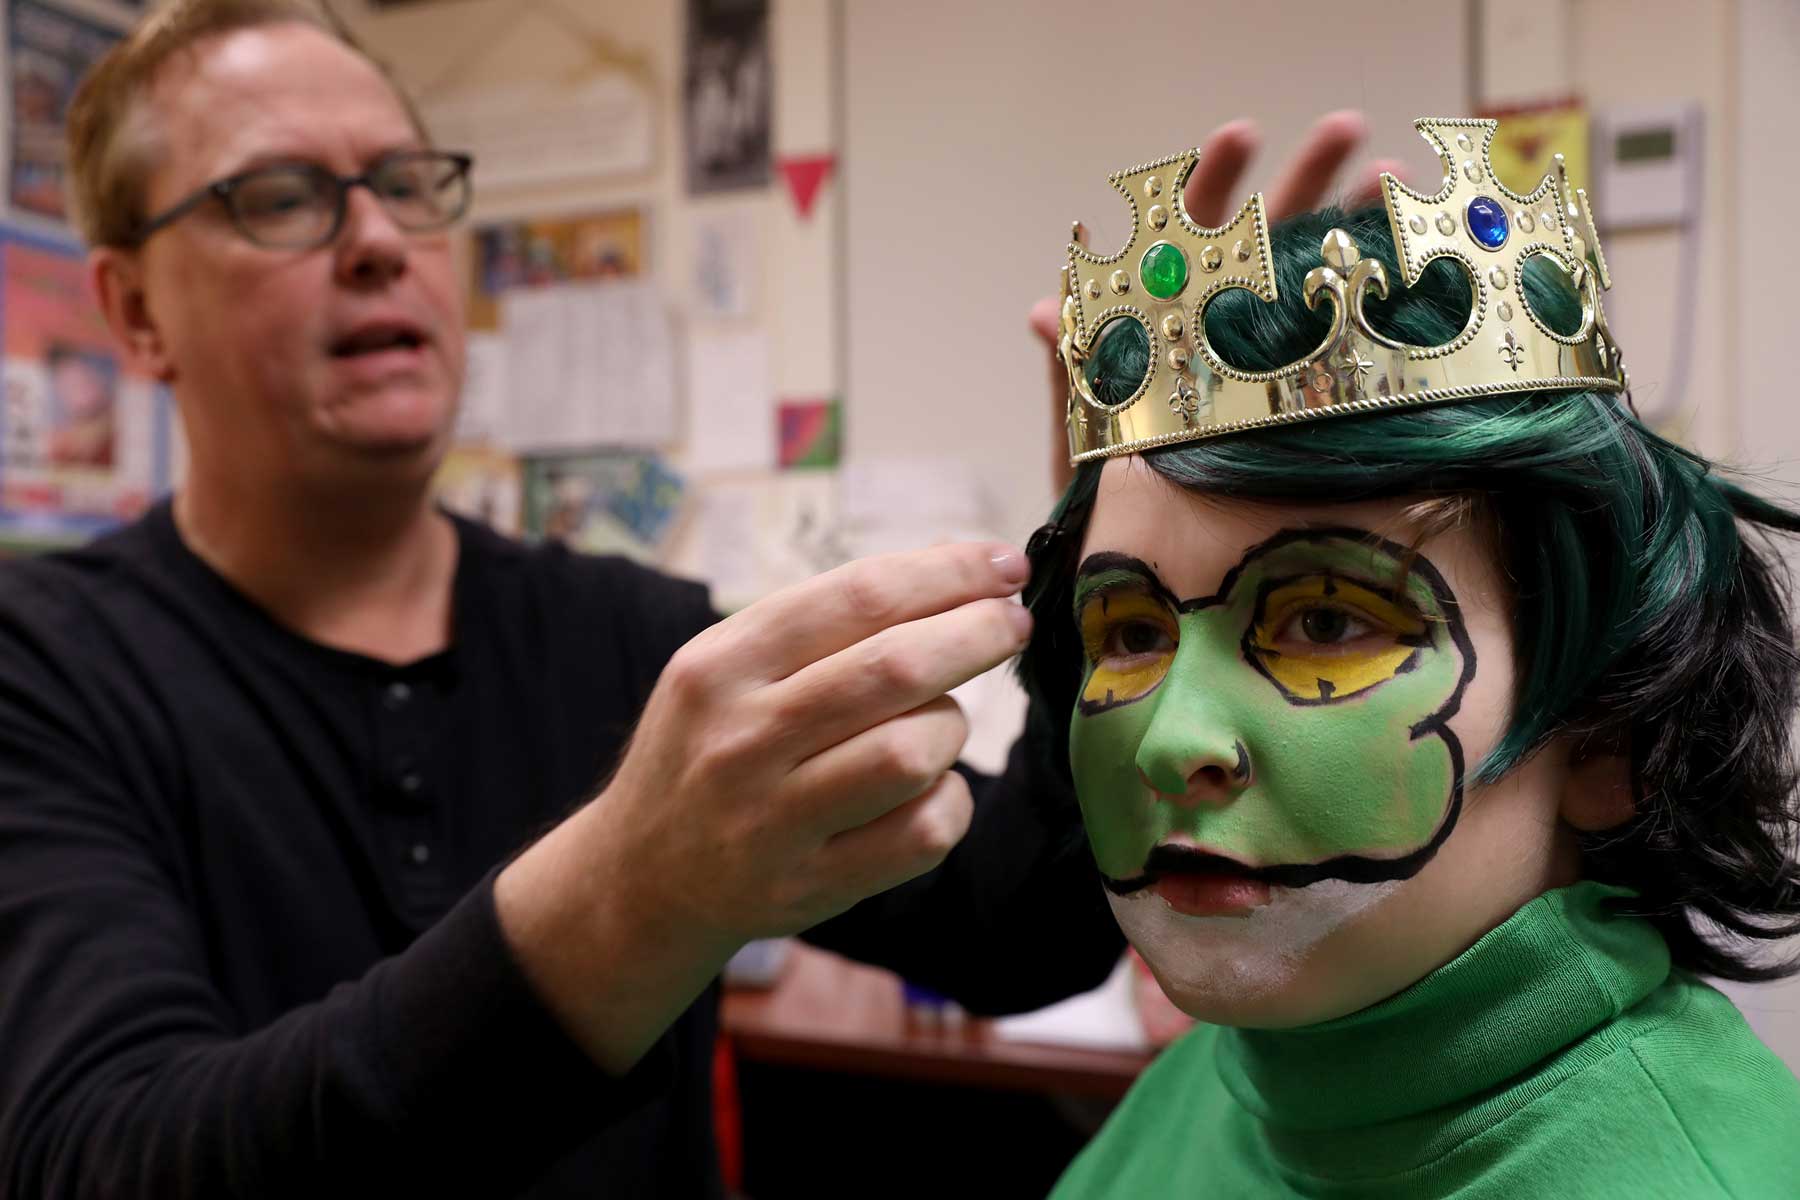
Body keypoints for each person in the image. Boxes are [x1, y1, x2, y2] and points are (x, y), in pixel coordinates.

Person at [0, 1, 1392, 1193]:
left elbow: (1009, 931)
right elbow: (103, 1157)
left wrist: (1122, 581)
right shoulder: (45, 670)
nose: (376, 241)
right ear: (129, 313)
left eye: (408, 183)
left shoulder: (627, 630)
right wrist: (639, 895)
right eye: (281, 197)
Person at [1022, 125, 1800, 1197]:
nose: (1172, 741)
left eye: (1328, 623)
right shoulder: (1261, 1060)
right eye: (1134, 632)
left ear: (1610, 730)